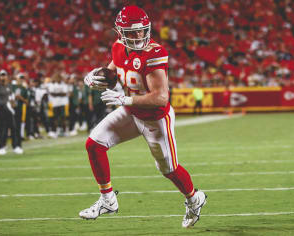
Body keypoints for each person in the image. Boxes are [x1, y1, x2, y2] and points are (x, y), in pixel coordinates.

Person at [79, 6, 206, 228]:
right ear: (120, 32)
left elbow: (160, 98)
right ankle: (108, 200)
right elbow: (112, 73)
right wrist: (96, 76)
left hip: (155, 119)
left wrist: (124, 100)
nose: (138, 35)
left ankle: (194, 199)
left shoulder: (155, 53)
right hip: (131, 112)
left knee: (169, 169)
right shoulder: (118, 47)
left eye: (141, 30)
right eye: (132, 31)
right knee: (94, 144)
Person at [0, 69, 23, 155]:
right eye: (1, 75)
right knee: (2, 128)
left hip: (8, 108)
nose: (3, 77)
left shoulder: (9, 86)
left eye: (4, 75)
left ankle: (15, 146)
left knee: (13, 127)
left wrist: (12, 102)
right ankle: (1, 147)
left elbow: (10, 95)